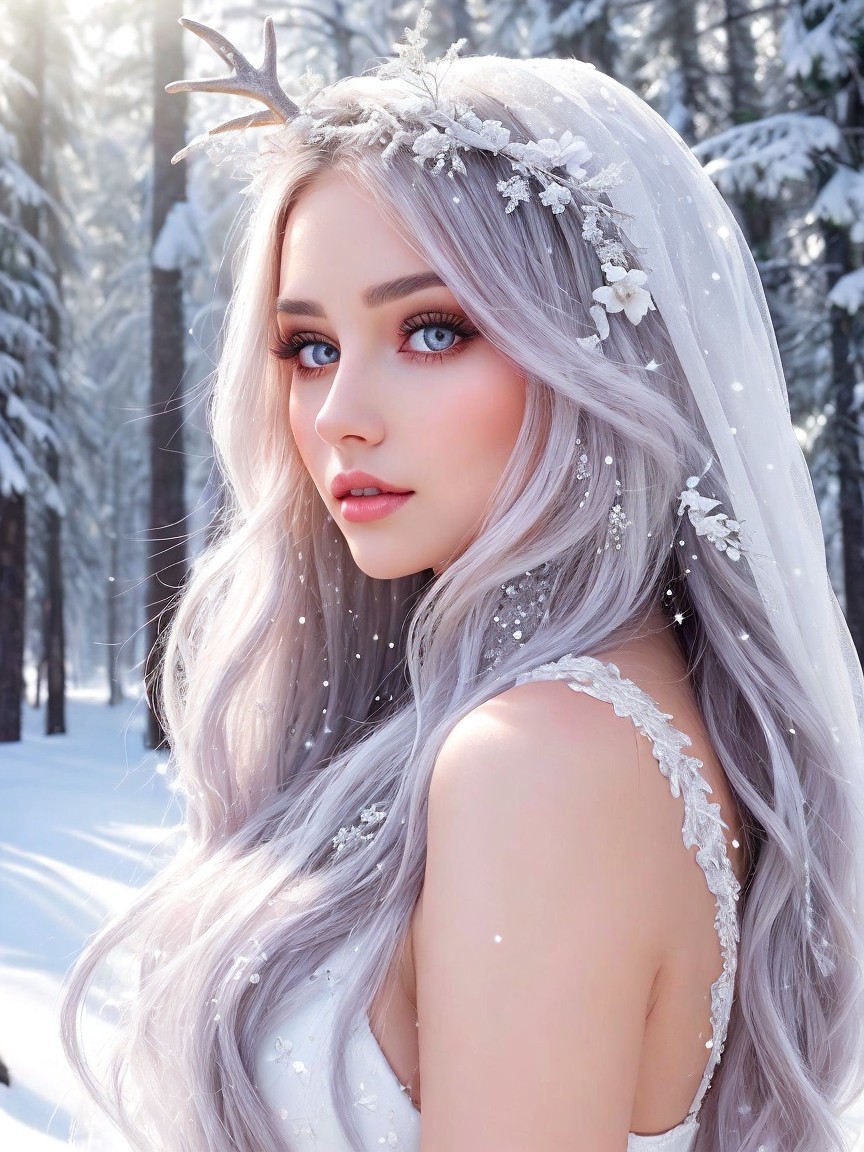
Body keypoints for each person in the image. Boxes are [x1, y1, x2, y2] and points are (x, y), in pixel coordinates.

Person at [62, 6, 864, 1151]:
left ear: (591, 349)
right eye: (310, 348)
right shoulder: (593, 722)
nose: (338, 416)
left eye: (432, 331)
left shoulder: (539, 763)